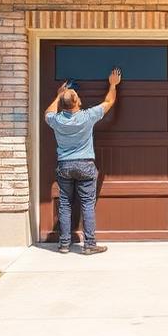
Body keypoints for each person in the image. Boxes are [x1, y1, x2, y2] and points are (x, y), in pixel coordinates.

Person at [44, 68, 122, 254]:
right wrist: (112, 84)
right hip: (85, 165)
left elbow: (47, 112)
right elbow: (109, 101)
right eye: (77, 96)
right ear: (78, 102)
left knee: (65, 203)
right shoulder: (87, 116)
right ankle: (89, 245)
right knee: (87, 204)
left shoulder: (56, 120)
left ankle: (64, 244)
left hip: (65, 165)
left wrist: (59, 95)